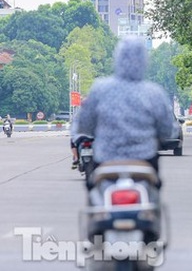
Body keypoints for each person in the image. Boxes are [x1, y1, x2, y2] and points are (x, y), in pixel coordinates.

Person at [70, 37, 174, 186]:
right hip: (144, 161)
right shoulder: (154, 93)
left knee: (93, 192)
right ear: (145, 61)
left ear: (116, 59)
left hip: (106, 160)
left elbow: (85, 125)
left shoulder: (100, 89)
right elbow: (166, 131)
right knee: (154, 195)